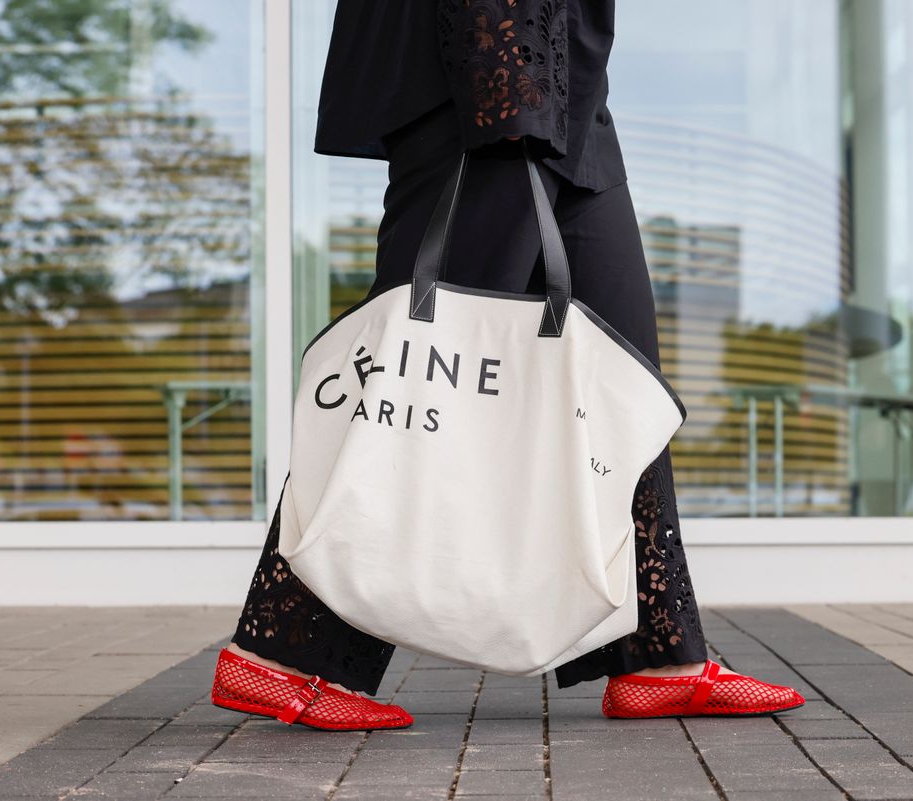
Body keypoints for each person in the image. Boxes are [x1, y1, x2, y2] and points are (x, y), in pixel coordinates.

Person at [209, 0, 806, 730]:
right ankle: (283, 649)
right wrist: (502, 76)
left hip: (566, 64)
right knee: (421, 365)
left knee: (620, 363)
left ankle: (657, 653)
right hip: (487, 49)